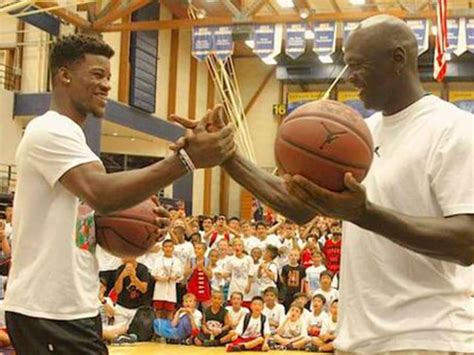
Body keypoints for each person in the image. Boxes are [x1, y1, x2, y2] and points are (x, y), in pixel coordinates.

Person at [172, 14, 474, 354]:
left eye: (358, 65)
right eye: (347, 65)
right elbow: (299, 207)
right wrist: (228, 156)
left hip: (428, 337)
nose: (350, 76)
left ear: (398, 59)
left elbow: (466, 242)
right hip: (359, 338)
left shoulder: (455, 130)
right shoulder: (363, 133)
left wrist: (364, 214)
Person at [4, 33, 236, 354]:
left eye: (109, 77)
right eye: (97, 75)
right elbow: (102, 194)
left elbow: (93, 218)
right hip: (47, 308)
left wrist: (144, 224)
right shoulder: (50, 129)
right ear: (64, 75)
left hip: (73, 306)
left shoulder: (72, 138)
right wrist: (186, 159)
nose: (107, 85)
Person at [113, 258, 150, 328]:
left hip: (137, 308)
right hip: (122, 307)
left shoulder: (143, 269)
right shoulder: (120, 269)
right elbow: (117, 291)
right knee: (118, 332)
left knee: (135, 334)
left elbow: (143, 289)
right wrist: (121, 276)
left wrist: (134, 276)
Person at [151, 240, 183, 319]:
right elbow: (153, 274)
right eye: (166, 247)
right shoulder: (158, 260)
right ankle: (158, 329)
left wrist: (175, 277)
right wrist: (160, 278)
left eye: (170, 246)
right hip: (159, 290)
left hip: (171, 290)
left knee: (170, 311)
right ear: (162, 248)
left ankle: (168, 330)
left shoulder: (177, 261)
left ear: (173, 248)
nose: (168, 249)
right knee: (158, 311)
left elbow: (180, 275)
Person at [185, 242, 212, 308]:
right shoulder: (191, 260)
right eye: (195, 248)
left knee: (207, 308)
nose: (196, 250)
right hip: (193, 287)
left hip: (204, 287)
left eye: (199, 248)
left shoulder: (207, 261)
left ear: (204, 250)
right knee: (192, 307)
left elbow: (210, 276)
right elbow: (185, 273)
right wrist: (194, 267)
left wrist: (203, 268)